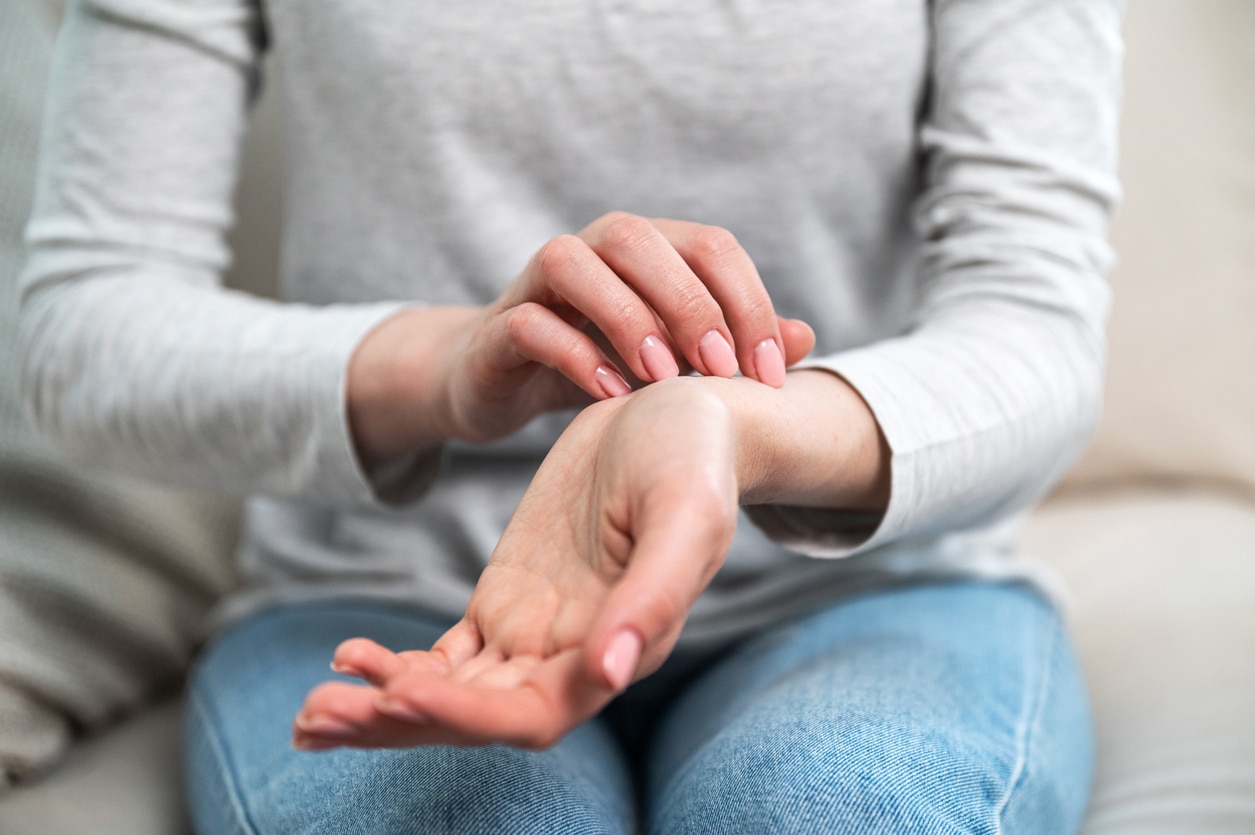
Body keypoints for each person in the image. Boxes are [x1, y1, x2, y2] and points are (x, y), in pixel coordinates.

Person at [19, 0, 1122, 831]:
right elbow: (85, 330)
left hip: (868, 597)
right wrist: (445, 364)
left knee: (827, 808)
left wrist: (735, 430)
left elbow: (1034, 322)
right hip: (388, 602)